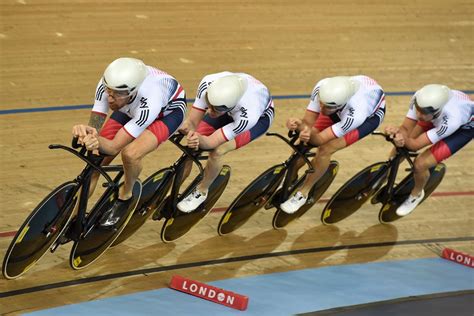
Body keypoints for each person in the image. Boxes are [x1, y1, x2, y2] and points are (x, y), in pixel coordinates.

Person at [72, 57, 187, 226]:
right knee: (95, 162)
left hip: (167, 114)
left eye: (116, 94)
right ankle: (73, 217)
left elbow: (113, 147)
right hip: (130, 107)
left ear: (132, 91)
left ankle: (125, 195)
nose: (110, 99)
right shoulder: (110, 86)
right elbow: (94, 128)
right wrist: (86, 134)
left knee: (130, 154)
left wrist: (96, 141)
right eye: (108, 92)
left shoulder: (150, 100)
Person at [280, 75, 386, 214]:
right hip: (342, 104)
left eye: (327, 106)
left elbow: (318, 140)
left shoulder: (355, 114)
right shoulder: (322, 89)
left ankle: (303, 193)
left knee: (325, 149)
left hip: (369, 118)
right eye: (321, 103)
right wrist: (299, 125)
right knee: (303, 141)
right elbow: (307, 123)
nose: (322, 108)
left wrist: (306, 131)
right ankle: (291, 176)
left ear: (340, 105)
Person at [176, 71, 275, 212]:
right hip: (229, 109)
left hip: (259, 119)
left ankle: (202, 191)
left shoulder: (249, 115)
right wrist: (186, 130)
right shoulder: (208, 84)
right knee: (191, 149)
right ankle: (172, 191)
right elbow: (192, 122)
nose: (209, 111)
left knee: (217, 151)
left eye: (214, 110)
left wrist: (198, 139)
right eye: (208, 105)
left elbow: (211, 142)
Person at [384, 84, 473, 216]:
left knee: (420, 164)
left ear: (436, 111)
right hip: (437, 117)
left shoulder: (451, 120)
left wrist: (399, 136)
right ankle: (386, 173)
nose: (418, 114)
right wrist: (397, 133)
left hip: (463, 130)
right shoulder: (420, 98)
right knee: (399, 146)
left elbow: (414, 145)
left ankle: (416, 194)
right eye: (417, 109)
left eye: (423, 112)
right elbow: (406, 128)